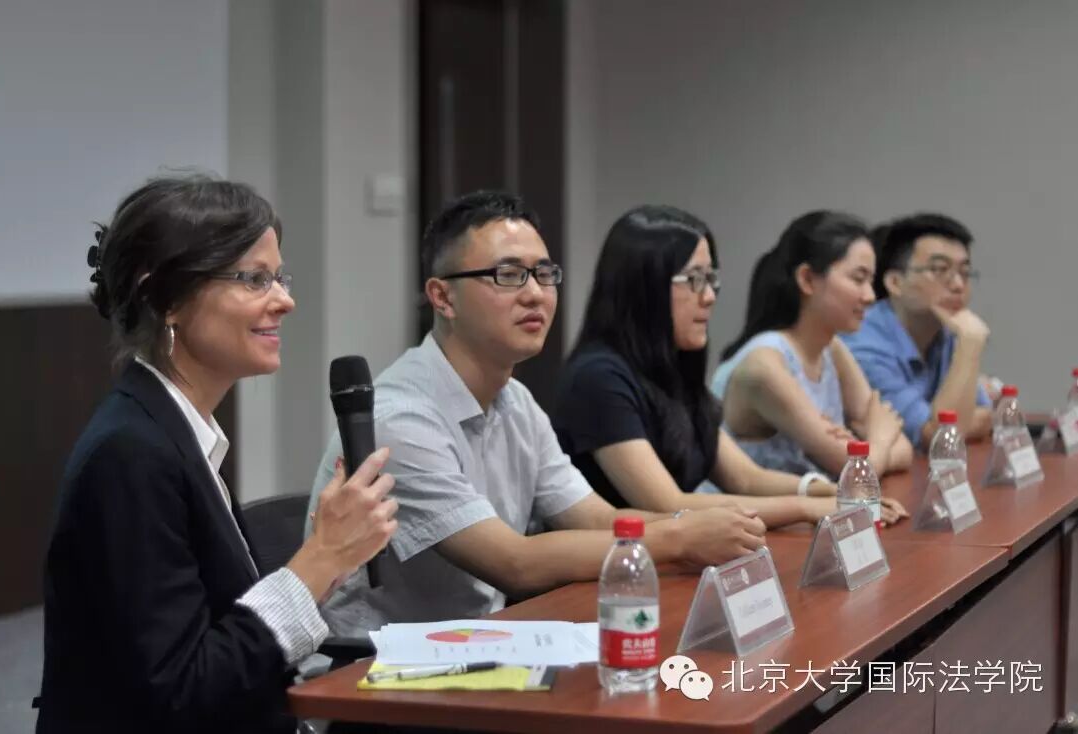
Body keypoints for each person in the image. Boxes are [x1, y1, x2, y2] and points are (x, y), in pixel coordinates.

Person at [309, 191, 767, 650]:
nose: (534, 293)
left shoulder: (516, 401)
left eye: (544, 274)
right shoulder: (400, 420)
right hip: (372, 666)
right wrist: (681, 536)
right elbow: (516, 563)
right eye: (508, 275)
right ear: (443, 297)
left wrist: (703, 524)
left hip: (478, 646)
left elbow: (595, 518)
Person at [36, 175, 397, 734]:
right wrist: (320, 558)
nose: (285, 300)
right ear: (165, 298)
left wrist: (333, 557)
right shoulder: (130, 454)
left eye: (279, 277)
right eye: (254, 279)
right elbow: (184, 690)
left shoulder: (177, 430)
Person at [554, 205, 906, 526]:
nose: (709, 296)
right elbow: (667, 504)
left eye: (711, 279)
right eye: (694, 280)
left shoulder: (671, 368)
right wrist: (808, 508)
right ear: (644, 286)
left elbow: (746, 478)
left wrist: (829, 493)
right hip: (612, 567)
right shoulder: (599, 377)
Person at [712, 210, 914, 479]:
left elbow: (904, 450)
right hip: (747, 507)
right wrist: (879, 439)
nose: (870, 296)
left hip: (812, 504)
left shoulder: (833, 348)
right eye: (858, 279)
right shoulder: (764, 365)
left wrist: (870, 450)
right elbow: (856, 471)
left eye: (870, 281)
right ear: (807, 279)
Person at [841, 214, 993, 448]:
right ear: (895, 283)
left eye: (965, 272)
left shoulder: (947, 331)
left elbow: (987, 416)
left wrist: (953, 424)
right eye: (940, 269)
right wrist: (971, 345)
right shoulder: (862, 346)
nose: (958, 285)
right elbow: (940, 438)